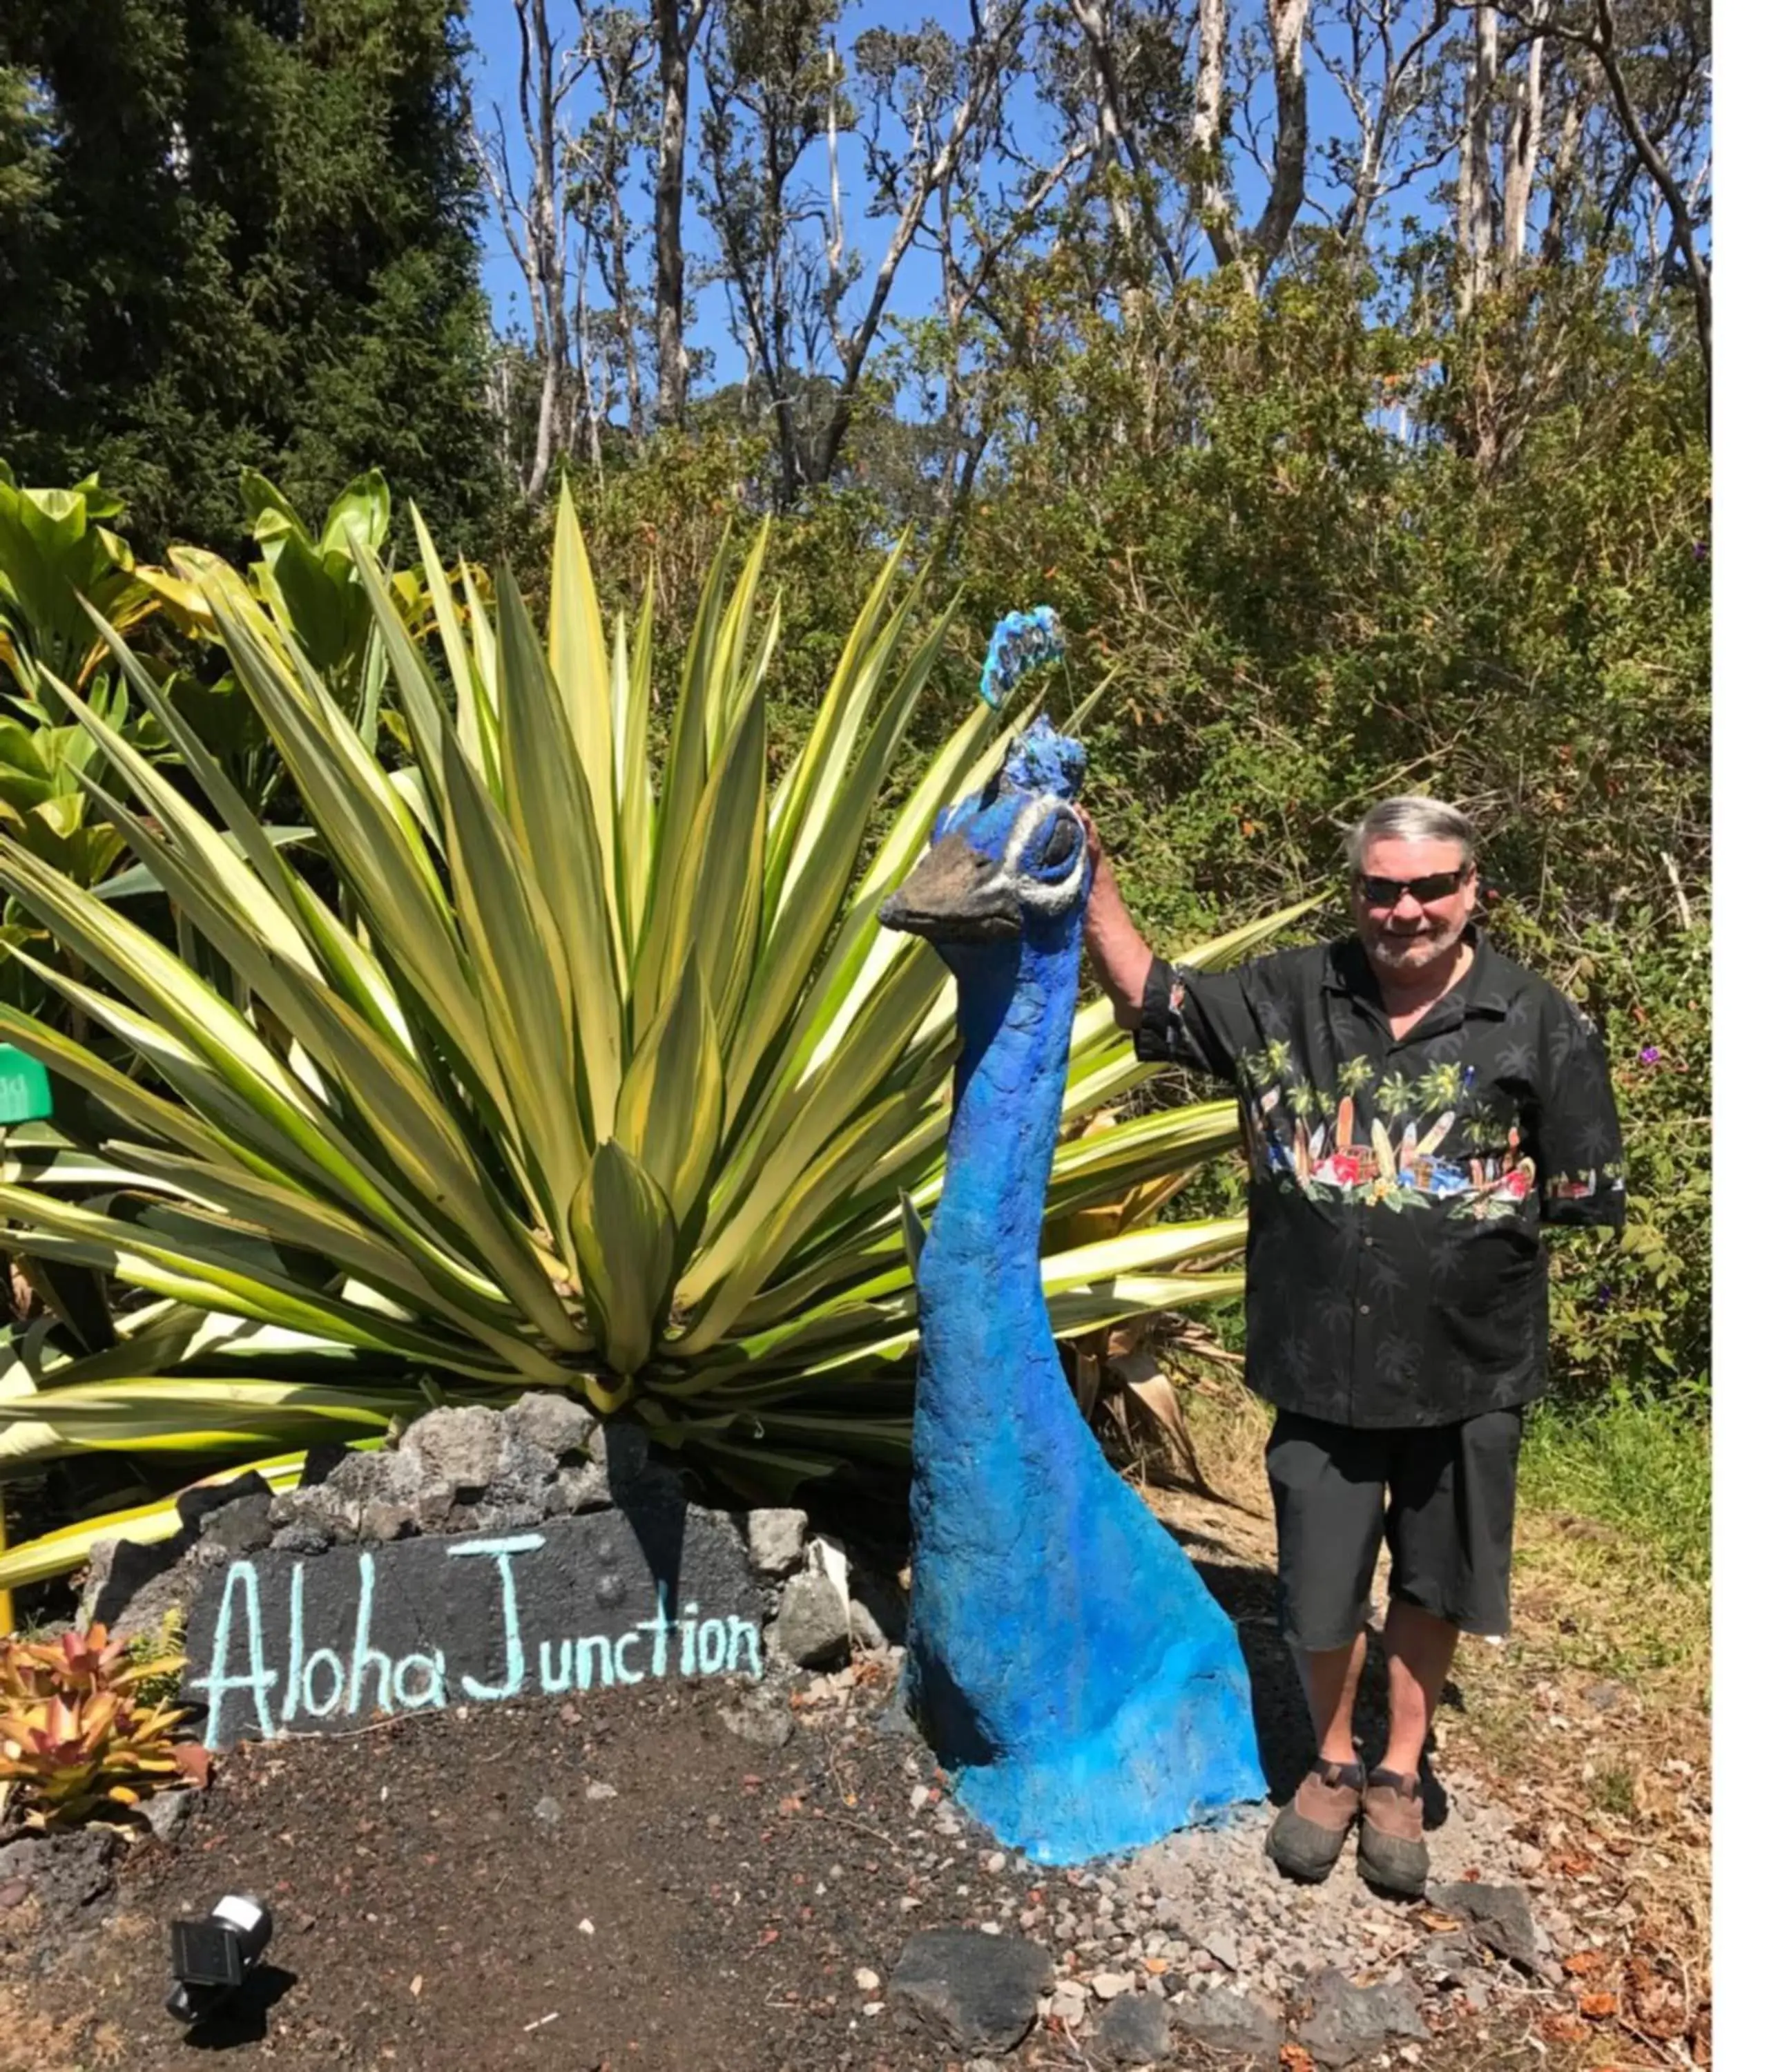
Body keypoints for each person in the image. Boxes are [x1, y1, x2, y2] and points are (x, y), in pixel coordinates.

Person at [1079, 796, 1625, 1896]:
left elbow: (1574, 1192)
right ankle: (1329, 1761)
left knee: (1432, 1585)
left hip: (1468, 1370)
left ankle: (1398, 1774)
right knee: (1318, 1585)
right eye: (1381, 886)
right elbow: (1157, 1000)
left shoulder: (1537, 1020)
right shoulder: (1288, 995)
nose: (1404, 908)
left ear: (1472, 890)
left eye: (1428, 886)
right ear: (1356, 891)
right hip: (1316, 1366)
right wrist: (1089, 879)